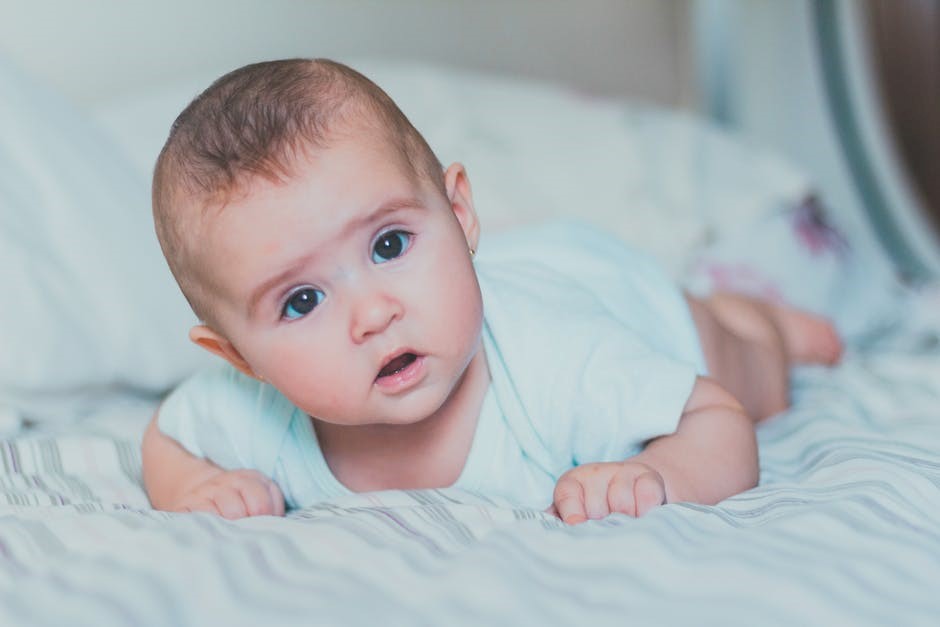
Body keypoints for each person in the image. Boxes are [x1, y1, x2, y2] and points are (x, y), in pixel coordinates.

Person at [141, 58, 842, 525]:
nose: (374, 313)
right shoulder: (254, 419)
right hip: (503, 274)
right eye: (301, 301)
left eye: (389, 245)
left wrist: (659, 475)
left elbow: (716, 417)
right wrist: (192, 490)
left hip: (607, 288)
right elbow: (166, 438)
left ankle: (762, 322)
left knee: (749, 373)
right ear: (238, 357)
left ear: (460, 213)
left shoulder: (559, 363)